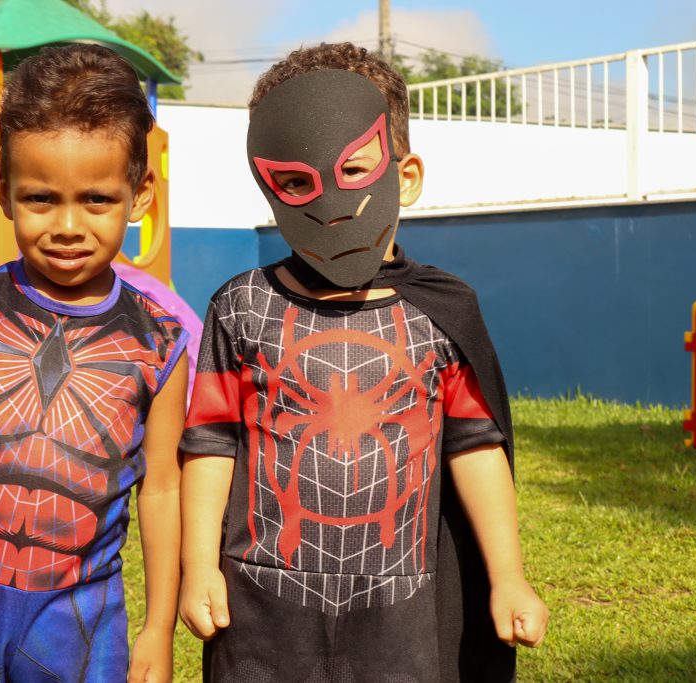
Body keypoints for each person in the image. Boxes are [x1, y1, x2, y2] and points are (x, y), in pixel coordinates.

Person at [178, 42, 548, 682]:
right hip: (262, 605)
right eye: (296, 181)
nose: (328, 202)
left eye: (354, 169)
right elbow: (210, 442)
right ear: (269, 186)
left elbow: (476, 445)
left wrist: (508, 576)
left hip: (400, 609)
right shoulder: (241, 307)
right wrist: (198, 565)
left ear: (406, 177)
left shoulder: (440, 311)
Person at [0, 44, 188, 683]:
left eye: (96, 199)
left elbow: (162, 489)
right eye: (41, 198)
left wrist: (158, 629)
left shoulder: (162, 342)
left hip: (82, 617)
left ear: (139, 195)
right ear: (5, 194)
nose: (68, 226)